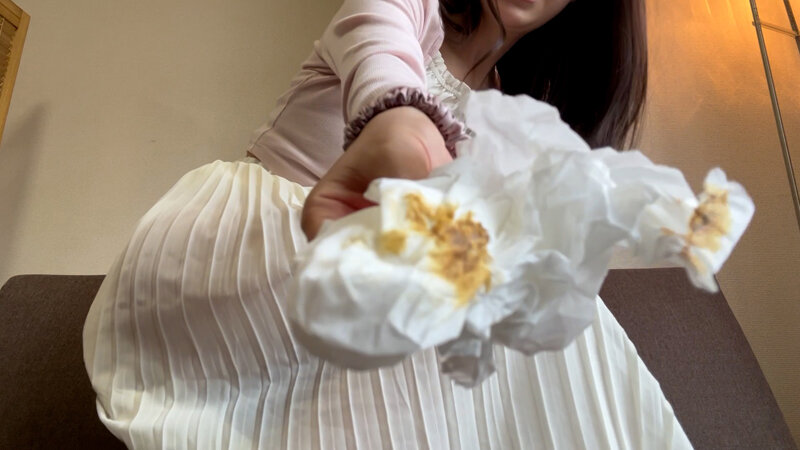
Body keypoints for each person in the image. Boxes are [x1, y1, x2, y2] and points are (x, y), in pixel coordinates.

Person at [84, 0, 690, 448]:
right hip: (248, 249)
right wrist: (399, 122)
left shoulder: (509, 111)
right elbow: (378, 46)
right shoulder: (410, 5)